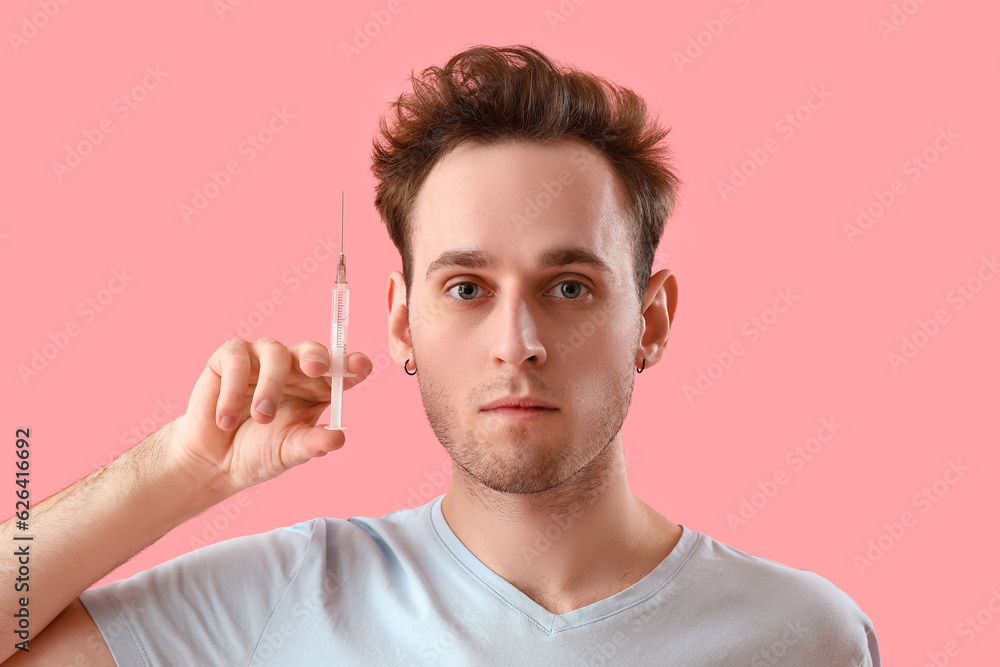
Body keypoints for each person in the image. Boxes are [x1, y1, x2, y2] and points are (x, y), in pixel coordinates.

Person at [1, 45, 880, 665]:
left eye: (569, 285)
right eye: (466, 289)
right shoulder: (283, 599)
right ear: (398, 319)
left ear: (651, 319)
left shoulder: (804, 634)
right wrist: (183, 467)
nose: (517, 344)